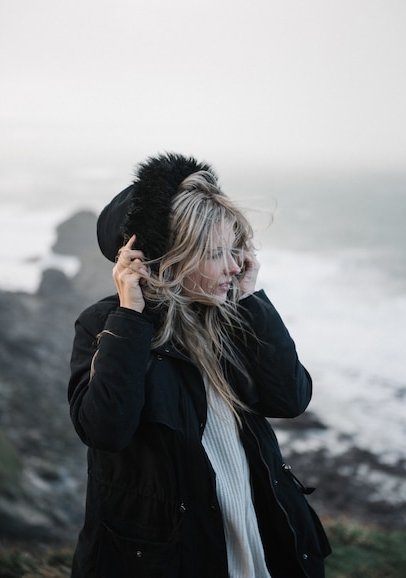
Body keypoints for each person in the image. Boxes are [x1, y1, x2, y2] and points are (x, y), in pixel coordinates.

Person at [68, 152, 331, 578]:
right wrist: (131, 318)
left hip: (255, 531)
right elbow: (105, 430)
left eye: (235, 250)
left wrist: (250, 299)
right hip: (169, 556)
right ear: (168, 259)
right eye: (214, 254)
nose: (233, 266)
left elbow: (290, 399)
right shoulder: (106, 326)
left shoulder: (233, 315)